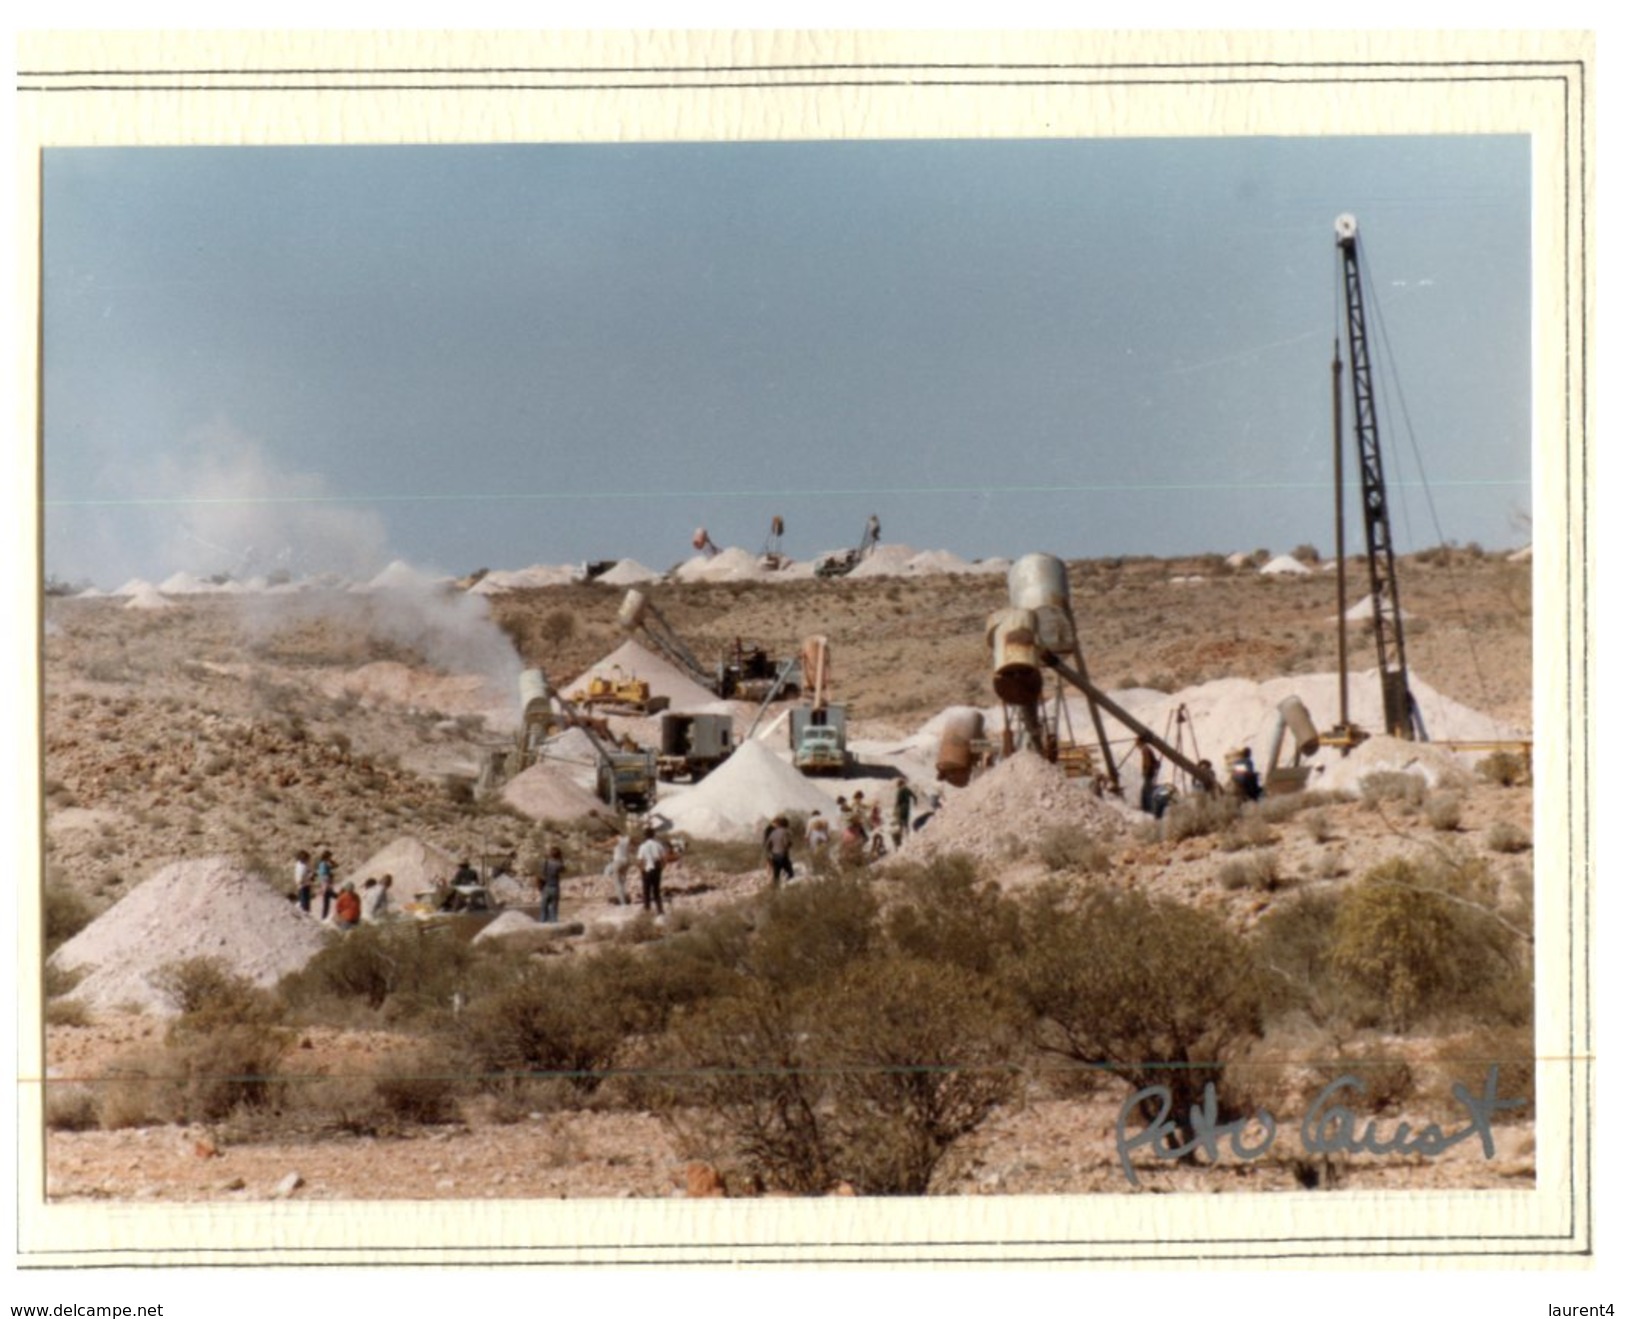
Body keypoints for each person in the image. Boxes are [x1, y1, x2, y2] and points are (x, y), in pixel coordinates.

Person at [636, 828, 668, 916]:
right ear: (653, 835)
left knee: (646, 892)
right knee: (656, 891)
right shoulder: (658, 845)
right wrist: (662, 868)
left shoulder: (642, 846)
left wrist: (642, 871)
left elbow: (640, 861)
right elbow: (664, 858)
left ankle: (647, 911)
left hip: (647, 869)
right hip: (657, 869)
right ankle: (660, 910)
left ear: (645, 836)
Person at [1136, 737, 1163, 815]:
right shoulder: (1147, 749)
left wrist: (1146, 772)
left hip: (1148, 773)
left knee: (1146, 791)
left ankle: (1147, 808)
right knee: (1147, 790)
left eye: (1137, 744)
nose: (1137, 746)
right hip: (1150, 773)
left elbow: (1148, 763)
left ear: (1141, 743)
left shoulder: (1145, 750)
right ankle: (1147, 808)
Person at [765, 816, 794, 887]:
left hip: (774, 855)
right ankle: (787, 887)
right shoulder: (786, 832)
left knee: (776, 875)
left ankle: (774, 890)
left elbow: (768, 844)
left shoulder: (773, 832)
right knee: (790, 873)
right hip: (783, 855)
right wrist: (789, 845)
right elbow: (786, 843)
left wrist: (771, 852)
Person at [604, 830, 631, 905]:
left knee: (617, 883)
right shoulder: (626, 839)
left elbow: (604, 844)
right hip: (626, 861)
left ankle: (623, 902)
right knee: (622, 882)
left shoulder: (616, 839)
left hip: (618, 862)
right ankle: (625, 898)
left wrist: (592, 845)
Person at [540, 846, 565, 924]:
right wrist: (561, 859)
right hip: (555, 887)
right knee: (554, 909)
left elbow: (542, 873)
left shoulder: (546, 863)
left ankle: (542, 924)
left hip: (546, 887)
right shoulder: (558, 864)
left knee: (543, 909)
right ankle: (554, 925)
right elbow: (564, 869)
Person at [891, 779, 915, 849]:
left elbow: (898, 801)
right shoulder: (907, 789)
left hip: (901, 809)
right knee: (906, 822)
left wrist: (894, 809)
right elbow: (914, 796)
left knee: (900, 823)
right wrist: (915, 802)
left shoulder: (900, 790)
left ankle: (900, 839)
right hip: (907, 808)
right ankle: (907, 836)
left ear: (899, 785)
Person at [316, 849, 337, 921]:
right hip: (326, 883)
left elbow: (336, 865)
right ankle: (324, 917)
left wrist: (331, 861)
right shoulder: (323, 864)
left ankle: (324, 917)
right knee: (329, 899)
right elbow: (324, 875)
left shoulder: (324, 863)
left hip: (326, 883)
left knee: (327, 901)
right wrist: (327, 884)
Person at [293, 849, 313, 914]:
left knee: (305, 901)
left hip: (304, 884)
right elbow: (301, 876)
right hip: (303, 885)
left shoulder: (300, 865)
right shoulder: (301, 866)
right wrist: (309, 876)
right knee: (304, 902)